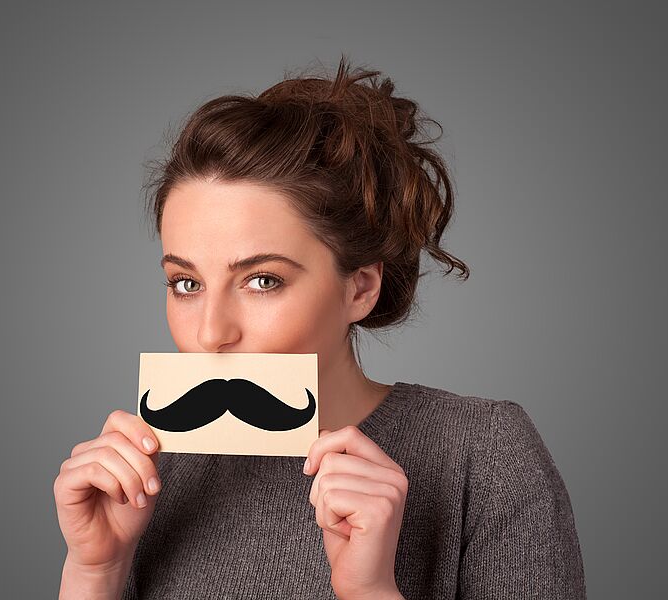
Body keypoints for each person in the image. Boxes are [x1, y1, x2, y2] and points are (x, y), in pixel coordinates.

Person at [54, 56, 587, 600]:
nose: (212, 332)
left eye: (262, 280)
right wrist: (95, 571)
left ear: (359, 288)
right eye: (186, 284)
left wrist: (370, 590)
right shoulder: (148, 481)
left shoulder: (484, 454)